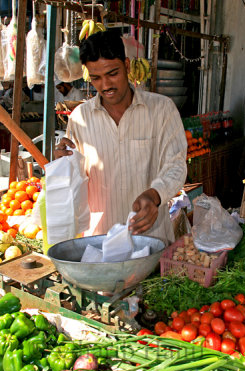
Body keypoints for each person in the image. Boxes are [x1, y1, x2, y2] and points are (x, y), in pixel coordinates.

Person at [55, 31, 187, 244]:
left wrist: (155, 195)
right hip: (100, 243)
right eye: (96, 78)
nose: (106, 85)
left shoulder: (162, 110)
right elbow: (75, 183)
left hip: (151, 242)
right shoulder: (80, 118)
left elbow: (176, 165)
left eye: (112, 73)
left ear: (126, 65)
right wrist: (62, 164)